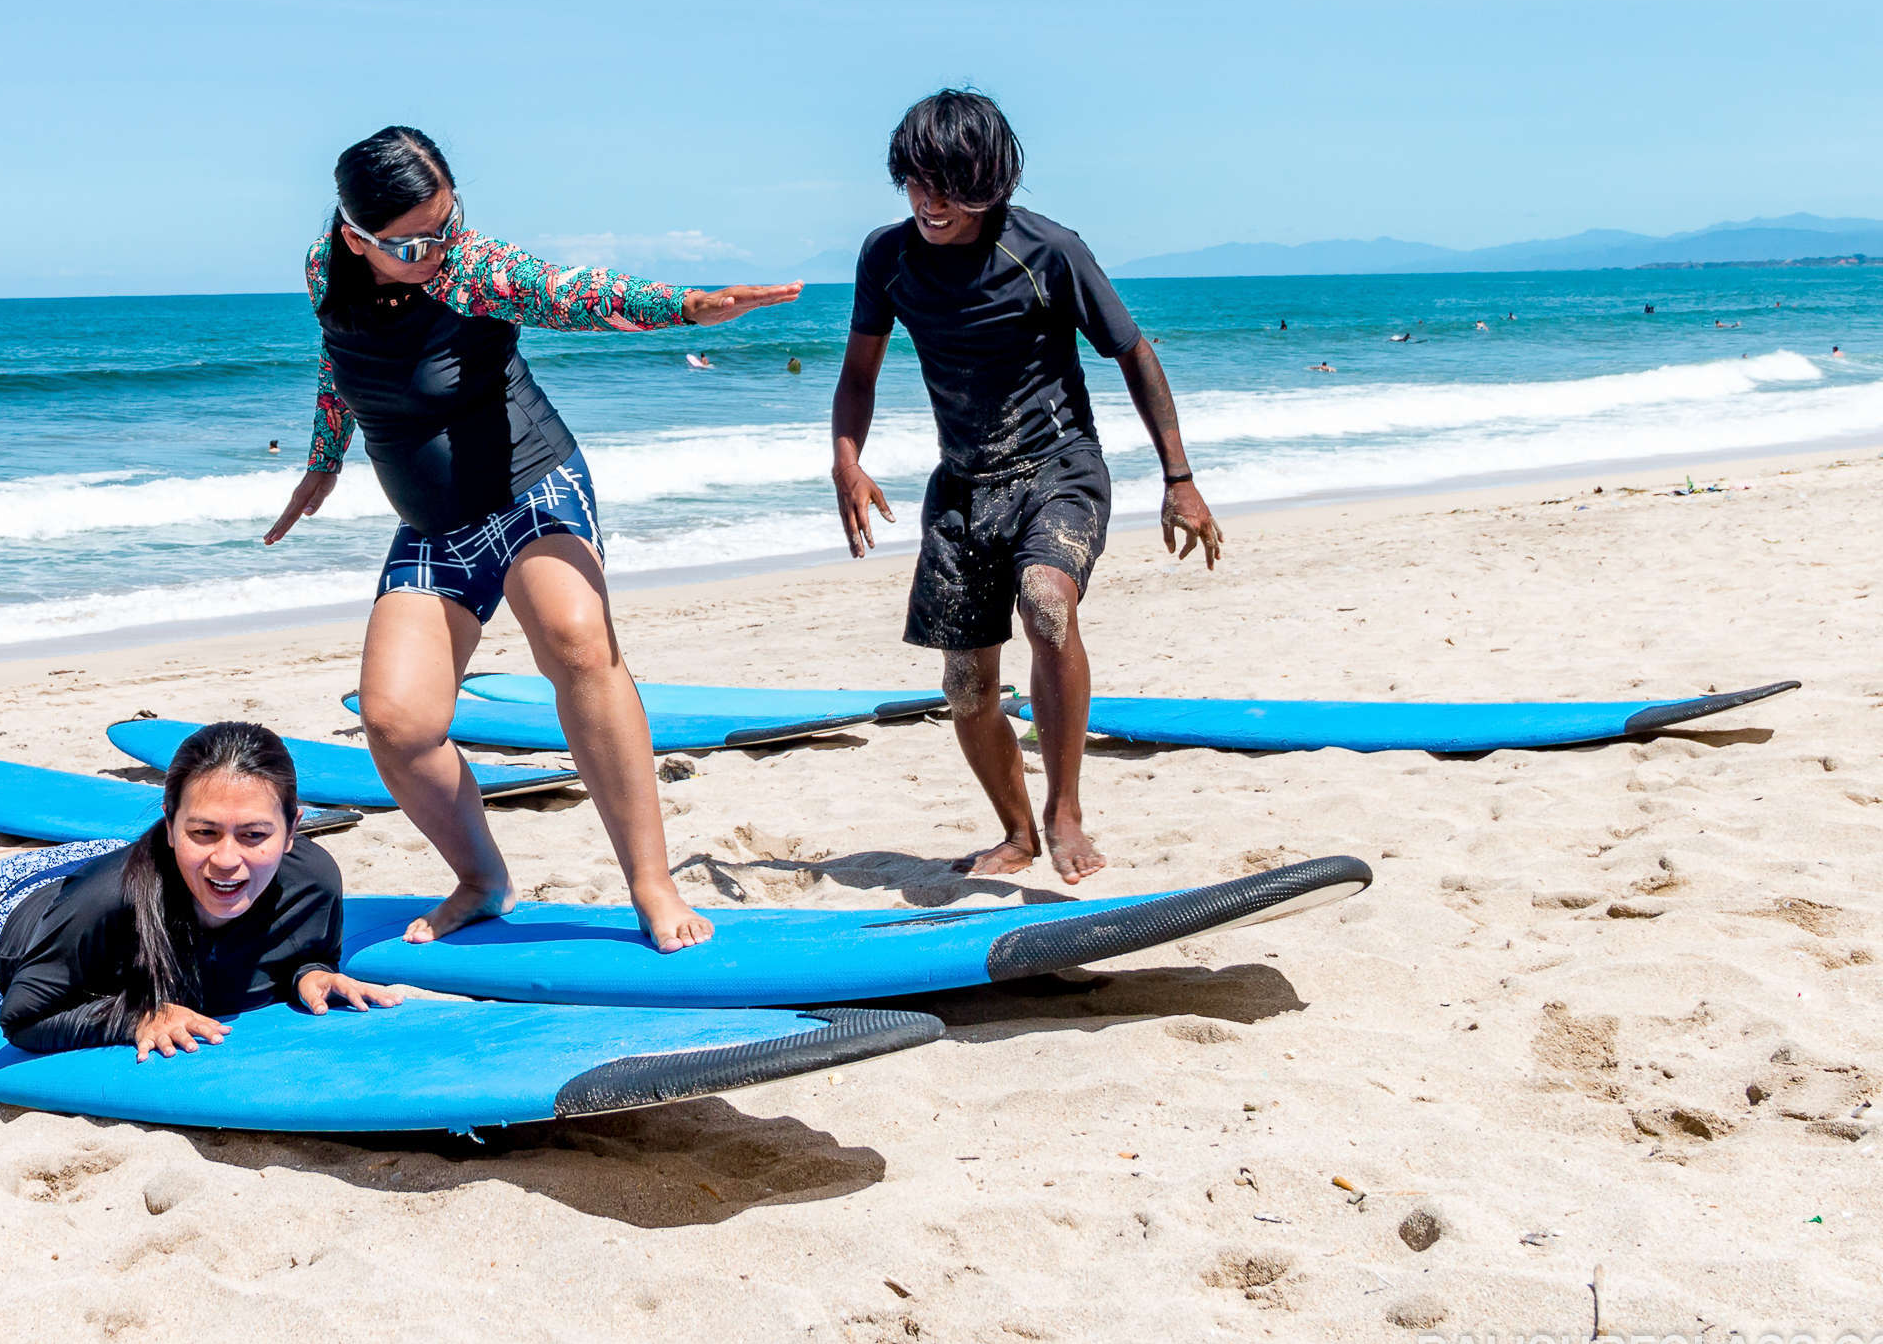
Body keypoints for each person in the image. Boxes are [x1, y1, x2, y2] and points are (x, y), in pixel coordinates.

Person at [263, 127, 800, 950]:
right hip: (435, 527)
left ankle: (651, 886)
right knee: (397, 723)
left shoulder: (475, 267)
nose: (438, 249)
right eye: (411, 243)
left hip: (531, 490)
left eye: (449, 222)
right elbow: (340, 364)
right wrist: (323, 461)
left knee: (577, 643)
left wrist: (686, 308)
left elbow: (575, 293)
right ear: (353, 240)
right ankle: (481, 880)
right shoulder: (321, 272)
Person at [829, 90, 1220, 885]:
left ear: (990, 180)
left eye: (949, 185)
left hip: (1059, 468)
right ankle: (1016, 833)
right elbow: (858, 373)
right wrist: (847, 458)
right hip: (965, 485)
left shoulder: (1048, 251)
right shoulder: (888, 256)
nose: (930, 203)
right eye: (916, 183)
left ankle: (1064, 811)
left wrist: (1180, 478)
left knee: (1047, 602)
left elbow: (1134, 355)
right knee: (966, 686)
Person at [0, 722, 400, 1055]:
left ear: (294, 831)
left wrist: (309, 973)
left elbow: (298, 950)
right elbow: (24, 1017)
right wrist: (136, 1016)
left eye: (255, 835)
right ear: (167, 822)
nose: (228, 860)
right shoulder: (113, 900)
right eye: (204, 831)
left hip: (65, 883)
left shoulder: (313, 880)